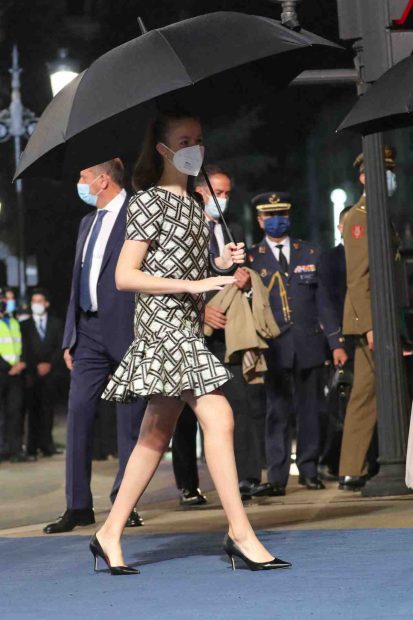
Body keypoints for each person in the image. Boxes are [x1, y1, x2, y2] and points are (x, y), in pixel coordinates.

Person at [92, 109, 291, 574]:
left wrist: (222, 261)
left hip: (185, 323)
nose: (194, 149)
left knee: (154, 434)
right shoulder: (147, 202)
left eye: (198, 139)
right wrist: (195, 287)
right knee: (218, 414)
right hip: (162, 325)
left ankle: (109, 531)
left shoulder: (197, 207)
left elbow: (189, 264)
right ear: (162, 150)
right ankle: (240, 533)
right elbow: (125, 276)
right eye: (184, 141)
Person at [44, 159, 146, 534]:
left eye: (83, 177)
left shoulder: (138, 213)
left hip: (128, 329)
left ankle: (125, 501)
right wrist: (70, 335)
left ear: (102, 181)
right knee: (78, 414)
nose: (80, 183)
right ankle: (78, 506)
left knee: (130, 422)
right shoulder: (87, 223)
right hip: (87, 331)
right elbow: (77, 282)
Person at [248, 192, 348, 495]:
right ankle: (277, 477)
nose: (277, 220)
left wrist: (336, 343)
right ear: (261, 220)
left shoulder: (310, 252)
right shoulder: (252, 258)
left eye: (282, 214)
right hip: (274, 347)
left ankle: (308, 468)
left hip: (309, 343)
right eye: (270, 215)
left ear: (289, 217)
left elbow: (325, 304)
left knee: (311, 410)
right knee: (276, 412)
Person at [198, 165, 271, 500]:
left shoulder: (234, 229)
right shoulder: (190, 228)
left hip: (230, 334)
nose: (223, 199)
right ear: (201, 191)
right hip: (197, 329)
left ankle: (248, 476)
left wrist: (245, 278)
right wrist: (201, 311)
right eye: (218, 192)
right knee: (184, 417)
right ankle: (189, 485)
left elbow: (246, 276)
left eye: (227, 193)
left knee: (241, 403)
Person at [338, 147, 396, 491]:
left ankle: (353, 468)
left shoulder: (379, 213)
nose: (391, 177)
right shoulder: (359, 217)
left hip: (384, 315)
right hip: (373, 317)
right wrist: (370, 324)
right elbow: (358, 277)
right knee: (366, 392)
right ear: (365, 176)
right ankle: (352, 468)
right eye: (384, 170)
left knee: (371, 391)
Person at [20, 288, 64, 457]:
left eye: (39, 301)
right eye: (34, 301)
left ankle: (47, 444)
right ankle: (31, 446)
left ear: (46, 304)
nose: (36, 305)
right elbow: (24, 349)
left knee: (48, 410)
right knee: (33, 411)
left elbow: (59, 347)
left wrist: (49, 364)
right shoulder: (24, 325)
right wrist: (34, 366)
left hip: (51, 374)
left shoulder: (56, 323)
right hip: (32, 374)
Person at [0, 289, 27, 462]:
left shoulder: (14, 322)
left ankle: (15, 450)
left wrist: (22, 362)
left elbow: (23, 344)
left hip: (16, 374)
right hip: (2, 372)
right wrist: (6, 367)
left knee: (15, 413)